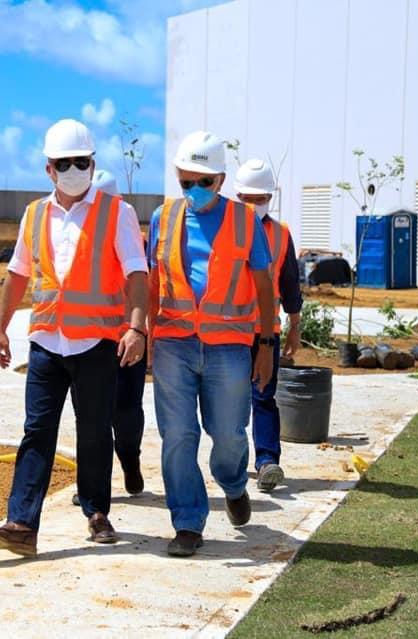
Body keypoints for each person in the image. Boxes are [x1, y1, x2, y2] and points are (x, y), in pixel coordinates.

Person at [0, 119, 149, 557]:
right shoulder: (34, 214)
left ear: (93, 164)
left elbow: (137, 274)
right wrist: (0, 327)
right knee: (37, 431)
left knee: (93, 432)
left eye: (82, 162)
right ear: (48, 169)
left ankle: (96, 511)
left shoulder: (117, 213)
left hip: (96, 343)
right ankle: (21, 524)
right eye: (64, 163)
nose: (74, 170)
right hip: (47, 342)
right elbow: (17, 274)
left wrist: (137, 326)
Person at [148, 131, 278, 557]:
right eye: (186, 182)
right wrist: (148, 334)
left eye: (203, 182)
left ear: (220, 180)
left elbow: (263, 285)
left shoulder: (244, 221)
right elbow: (153, 281)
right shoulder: (161, 219)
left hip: (228, 347)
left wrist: (266, 344)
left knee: (227, 434)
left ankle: (233, 482)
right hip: (174, 343)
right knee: (178, 436)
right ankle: (187, 522)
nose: (194, 191)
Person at [71, 169, 147, 507]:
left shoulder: (133, 238)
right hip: (91, 341)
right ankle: (89, 488)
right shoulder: (78, 240)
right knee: (91, 418)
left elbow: (148, 292)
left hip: (128, 340)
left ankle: (130, 460)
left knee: (127, 412)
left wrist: (144, 333)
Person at [235, 159, 303, 492]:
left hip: (265, 333)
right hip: (228, 333)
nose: (255, 205)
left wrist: (294, 325)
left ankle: (266, 461)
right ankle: (232, 461)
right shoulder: (223, 231)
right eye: (248, 198)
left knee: (263, 397)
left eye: (261, 198)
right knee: (230, 402)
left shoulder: (280, 234)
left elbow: (290, 282)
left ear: (270, 198)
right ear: (237, 195)